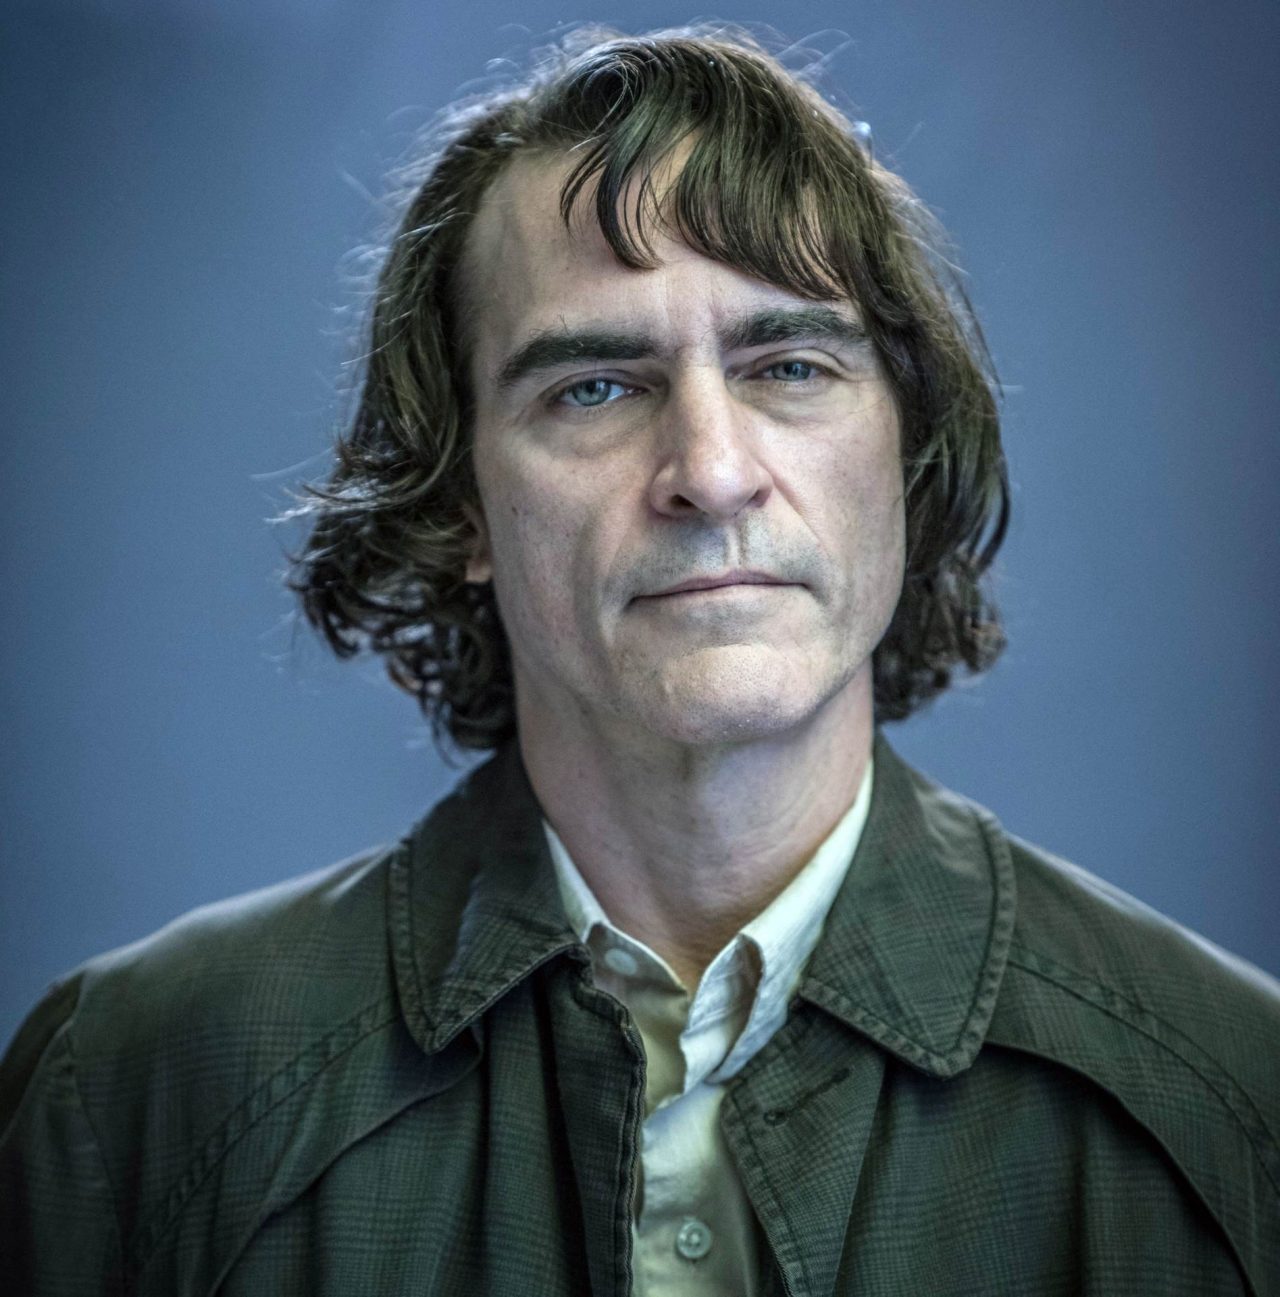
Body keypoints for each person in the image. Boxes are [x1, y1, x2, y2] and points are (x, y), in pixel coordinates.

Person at [2, 23, 1277, 1296]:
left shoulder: (1236, 1106)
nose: (710, 473)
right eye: (594, 389)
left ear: (904, 455)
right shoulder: (125, 1101)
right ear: (459, 503)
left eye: (789, 366)